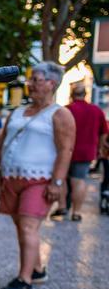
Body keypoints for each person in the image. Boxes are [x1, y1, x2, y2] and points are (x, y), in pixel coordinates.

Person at [0, 62, 75, 289]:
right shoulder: (18, 112)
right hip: (11, 178)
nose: (29, 84)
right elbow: (1, 146)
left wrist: (57, 183)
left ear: (51, 84)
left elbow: (66, 151)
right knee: (21, 227)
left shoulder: (60, 114)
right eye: (30, 79)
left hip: (40, 180)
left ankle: (25, 279)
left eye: (36, 80)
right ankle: (38, 268)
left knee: (28, 226)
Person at [57, 83, 105, 221]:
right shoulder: (96, 110)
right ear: (86, 94)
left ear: (72, 95)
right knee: (79, 181)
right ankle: (76, 212)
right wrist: (99, 148)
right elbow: (103, 133)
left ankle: (62, 207)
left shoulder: (67, 109)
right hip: (86, 152)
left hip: (65, 149)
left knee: (62, 179)